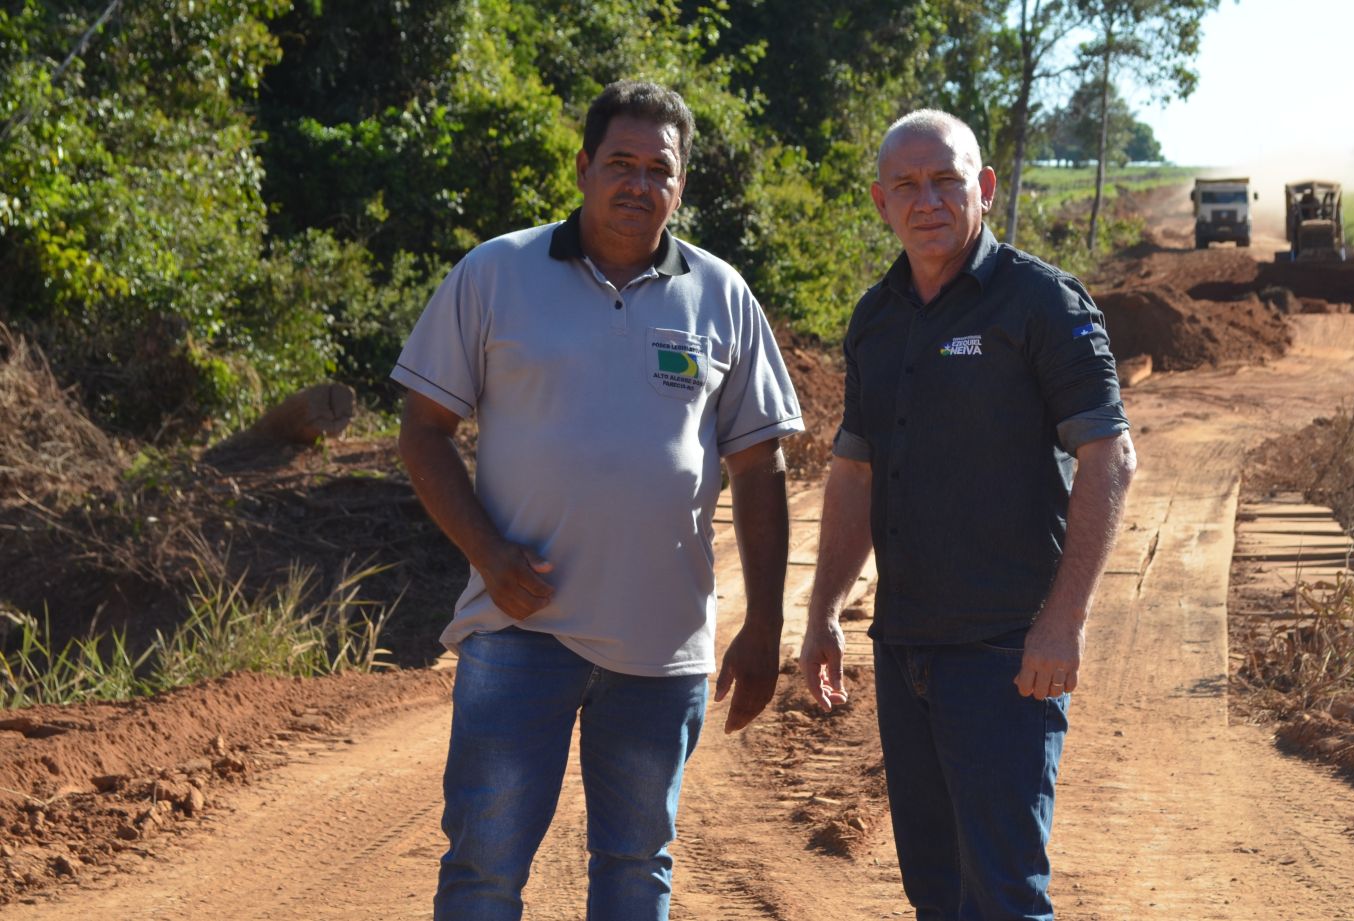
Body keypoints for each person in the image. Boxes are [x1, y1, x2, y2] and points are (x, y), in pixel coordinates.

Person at [394, 80, 804, 920]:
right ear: (582, 168)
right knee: (483, 867)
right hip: (520, 633)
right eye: (620, 161)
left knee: (636, 867)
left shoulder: (722, 294)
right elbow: (423, 430)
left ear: (680, 187)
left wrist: (765, 627)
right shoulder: (495, 273)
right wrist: (488, 554)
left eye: (661, 169)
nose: (638, 183)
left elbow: (761, 472)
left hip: (663, 652)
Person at [798, 110, 1136, 920]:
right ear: (881, 202)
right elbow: (855, 469)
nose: (928, 200)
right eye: (907, 186)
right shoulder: (876, 319)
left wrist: (1062, 623)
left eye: (947, 180)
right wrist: (824, 611)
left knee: (1004, 894)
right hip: (905, 645)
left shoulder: (1042, 303)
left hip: (1002, 654)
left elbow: (1110, 457)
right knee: (936, 893)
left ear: (983, 188)